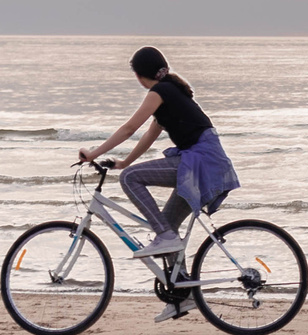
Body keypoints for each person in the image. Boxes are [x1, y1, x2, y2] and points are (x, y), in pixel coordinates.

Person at [77, 46, 237, 320]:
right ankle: (184, 296)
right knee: (167, 225)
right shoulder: (170, 93)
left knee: (132, 180)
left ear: (139, 76)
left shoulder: (159, 92)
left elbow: (129, 128)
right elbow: (149, 136)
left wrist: (93, 154)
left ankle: (165, 237)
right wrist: (124, 162)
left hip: (201, 162)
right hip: (205, 163)